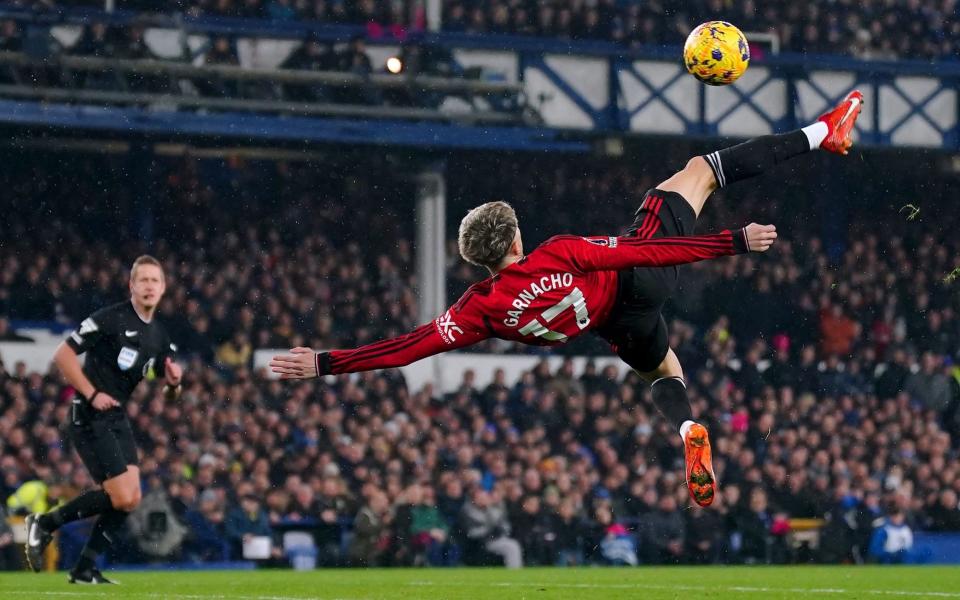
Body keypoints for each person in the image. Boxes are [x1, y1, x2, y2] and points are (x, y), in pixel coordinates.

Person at [271, 91, 865, 509]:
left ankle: (687, 428)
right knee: (699, 170)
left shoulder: (481, 308)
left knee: (665, 368)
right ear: (514, 238)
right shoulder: (558, 253)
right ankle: (823, 132)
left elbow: (408, 349)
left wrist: (325, 362)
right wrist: (730, 242)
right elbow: (639, 255)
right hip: (640, 278)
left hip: (618, 326)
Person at [24, 255, 182, 584]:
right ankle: (45, 523)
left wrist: (174, 384)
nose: (150, 286)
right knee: (122, 497)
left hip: (116, 416)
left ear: (164, 288)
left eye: (155, 281)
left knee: (131, 499)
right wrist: (92, 393)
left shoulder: (158, 336)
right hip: (89, 413)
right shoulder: (110, 318)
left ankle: (84, 568)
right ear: (132, 286)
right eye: (144, 280)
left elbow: (167, 395)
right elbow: (63, 355)